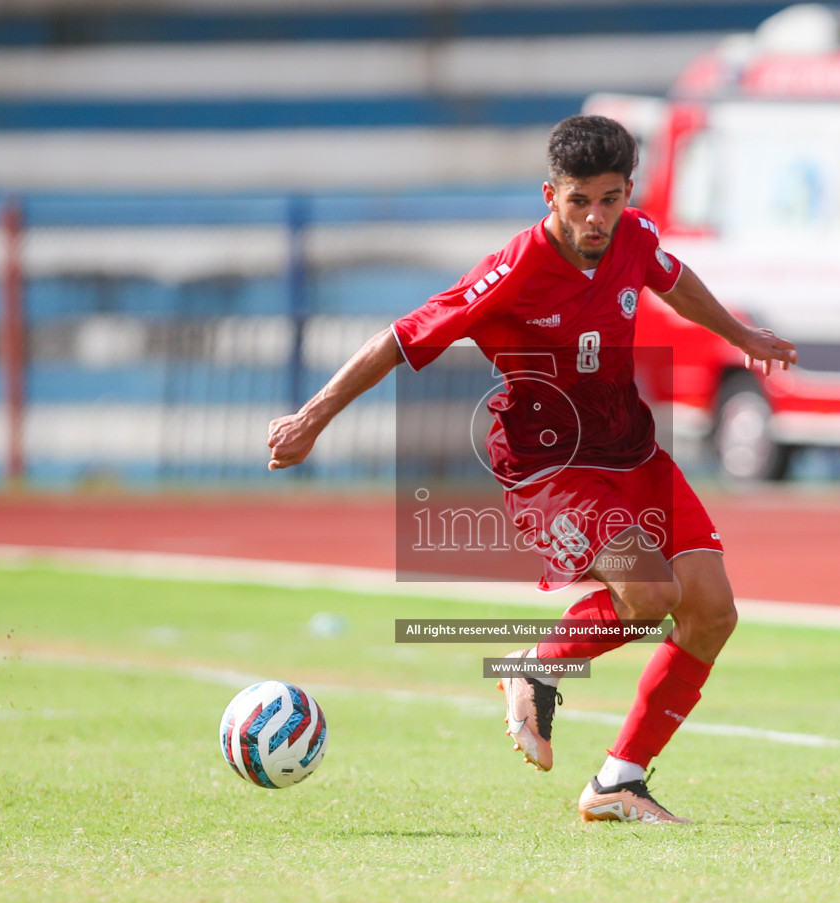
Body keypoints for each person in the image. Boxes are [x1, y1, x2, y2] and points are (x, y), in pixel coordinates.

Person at [266, 114, 796, 824]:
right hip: (551, 467)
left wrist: (740, 333)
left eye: (610, 199)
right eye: (580, 200)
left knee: (712, 613)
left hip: (633, 451)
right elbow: (398, 338)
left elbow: (672, 278)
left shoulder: (634, 238)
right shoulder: (514, 269)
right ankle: (533, 663)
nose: (596, 217)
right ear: (551, 194)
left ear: (627, 193)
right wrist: (312, 417)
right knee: (648, 598)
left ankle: (618, 782)